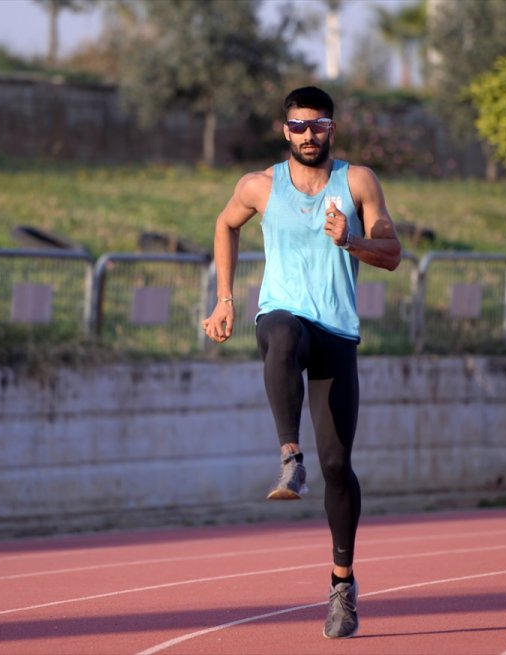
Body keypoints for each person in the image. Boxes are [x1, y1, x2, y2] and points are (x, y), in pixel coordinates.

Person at [202, 86, 402, 639]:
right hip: (282, 313)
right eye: (298, 126)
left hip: (337, 330)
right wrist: (225, 298)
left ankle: (342, 582)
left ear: (331, 128)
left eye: (317, 126)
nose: (307, 135)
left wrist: (352, 239)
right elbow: (225, 224)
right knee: (282, 334)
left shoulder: (358, 181)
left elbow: (393, 254)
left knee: (339, 465)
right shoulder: (258, 186)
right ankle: (290, 456)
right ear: (283, 129)